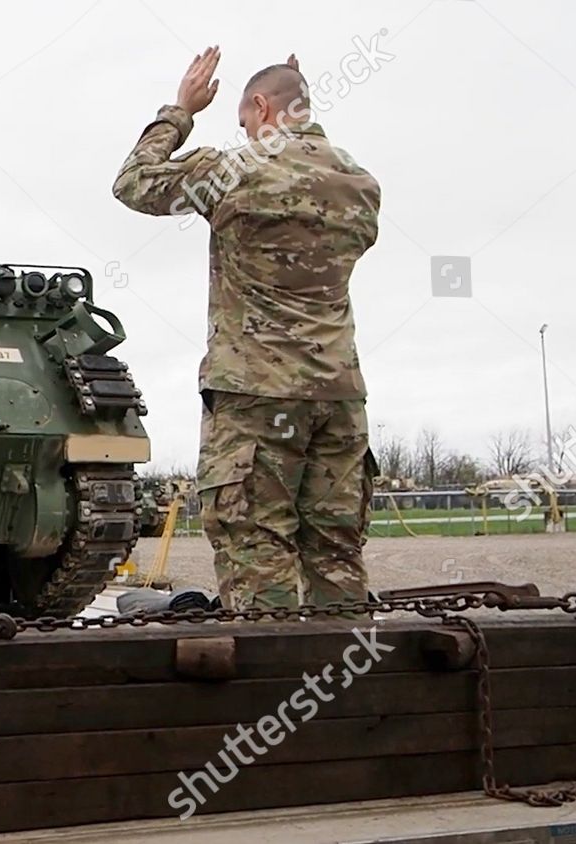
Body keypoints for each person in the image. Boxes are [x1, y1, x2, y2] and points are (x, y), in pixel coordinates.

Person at [111, 47, 382, 613]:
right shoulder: (360, 183)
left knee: (256, 547)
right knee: (336, 549)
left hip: (254, 395)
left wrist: (180, 111)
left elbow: (134, 183)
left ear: (261, 107)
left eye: (244, 119)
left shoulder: (236, 172)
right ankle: (346, 683)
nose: (245, 131)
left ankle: (275, 680)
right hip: (338, 397)